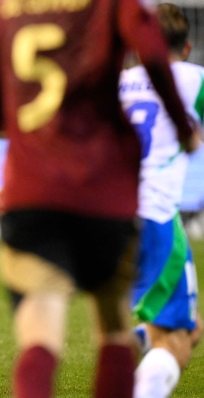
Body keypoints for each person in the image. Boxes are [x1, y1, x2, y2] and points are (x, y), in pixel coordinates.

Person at [0, 0, 199, 397]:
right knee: (124, 331)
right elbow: (153, 56)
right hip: (111, 199)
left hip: (32, 193)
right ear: (187, 46)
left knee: (39, 335)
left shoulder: (5, 9)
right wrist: (184, 129)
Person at [119, 4, 203, 397]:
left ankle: (132, 338)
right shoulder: (194, 79)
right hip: (153, 218)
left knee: (185, 328)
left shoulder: (117, 84)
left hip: (107, 218)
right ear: (186, 47)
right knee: (179, 340)